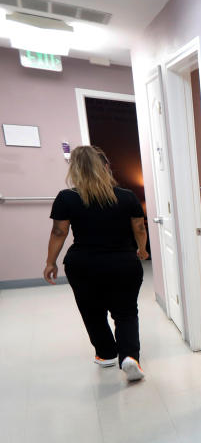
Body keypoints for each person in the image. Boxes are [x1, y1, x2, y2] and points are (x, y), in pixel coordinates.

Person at [44, 145, 149, 382]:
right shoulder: (126, 196)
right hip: (123, 262)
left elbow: (59, 231)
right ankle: (129, 357)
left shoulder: (66, 197)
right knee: (126, 312)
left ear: (75, 169)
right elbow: (139, 227)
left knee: (92, 311)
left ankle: (106, 353)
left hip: (83, 265)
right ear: (106, 167)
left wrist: (50, 262)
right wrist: (142, 250)